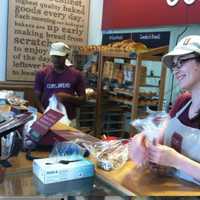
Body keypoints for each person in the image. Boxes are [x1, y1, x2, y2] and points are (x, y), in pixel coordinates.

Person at [129, 35, 200, 185]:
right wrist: (144, 140)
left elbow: (174, 159)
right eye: (174, 66)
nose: (175, 70)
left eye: (181, 62)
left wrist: (177, 161)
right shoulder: (183, 102)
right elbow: (159, 135)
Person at [34, 42, 86, 127]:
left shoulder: (76, 75)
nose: (56, 59)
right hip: (46, 120)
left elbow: (83, 100)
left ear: (66, 56)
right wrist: (44, 113)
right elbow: (37, 99)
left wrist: (67, 97)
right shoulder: (42, 73)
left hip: (69, 120)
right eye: (54, 56)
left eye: (59, 57)